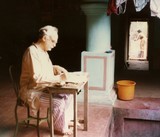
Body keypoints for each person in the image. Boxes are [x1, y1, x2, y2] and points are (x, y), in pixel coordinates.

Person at [19, 25, 73, 135]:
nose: (54, 45)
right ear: (44, 38)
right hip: (32, 91)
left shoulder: (43, 52)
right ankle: (59, 129)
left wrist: (55, 68)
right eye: (53, 41)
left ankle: (63, 122)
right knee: (59, 103)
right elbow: (37, 78)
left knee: (68, 94)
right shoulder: (32, 51)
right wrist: (59, 78)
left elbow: (44, 70)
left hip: (41, 89)